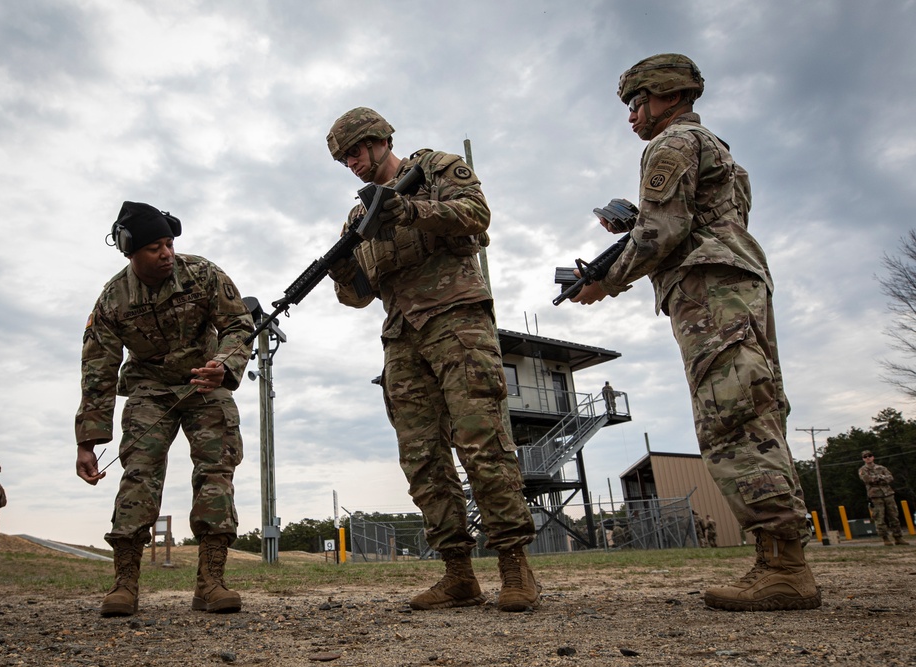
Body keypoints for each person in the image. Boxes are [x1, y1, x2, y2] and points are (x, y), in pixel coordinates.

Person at [571, 54, 820, 611]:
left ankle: (783, 568)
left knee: (731, 417)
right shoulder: (722, 153)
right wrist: (637, 226)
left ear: (667, 95)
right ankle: (780, 558)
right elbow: (699, 222)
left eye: (637, 103)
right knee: (755, 413)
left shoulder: (669, 146)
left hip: (709, 294)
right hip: (738, 286)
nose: (632, 116)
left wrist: (604, 280)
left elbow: (663, 232)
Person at [325, 107, 540, 612]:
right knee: (422, 457)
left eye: (356, 150)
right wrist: (339, 272)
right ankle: (458, 574)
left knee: (482, 440)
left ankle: (514, 566)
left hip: (457, 320)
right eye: (344, 158)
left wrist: (411, 211)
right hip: (401, 336)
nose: (352, 162)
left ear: (379, 140)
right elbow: (359, 295)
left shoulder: (438, 170)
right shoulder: (357, 218)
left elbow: (477, 214)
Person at [74, 201, 255, 617]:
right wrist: (88, 442)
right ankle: (125, 584)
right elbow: (97, 370)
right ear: (129, 251)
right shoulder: (113, 300)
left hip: (204, 382)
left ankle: (211, 582)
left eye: (169, 243)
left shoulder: (203, 274)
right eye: (155, 246)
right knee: (139, 475)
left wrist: (224, 366)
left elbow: (238, 324)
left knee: (216, 474)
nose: (166, 253)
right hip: (149, 389)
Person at [858, 450, 908, 546]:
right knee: (879, 518)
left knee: (894, 516)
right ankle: (885, 538)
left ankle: (898, 537)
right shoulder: (863, 470)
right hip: (875, 496)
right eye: (865, 456)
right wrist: (881, 478)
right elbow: (867, 479)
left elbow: (890, 478)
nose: (868, 457)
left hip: (888, 494)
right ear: (863, 459)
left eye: (869, 455)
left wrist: (877, 478)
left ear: (873, 457)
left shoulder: (881, 467)